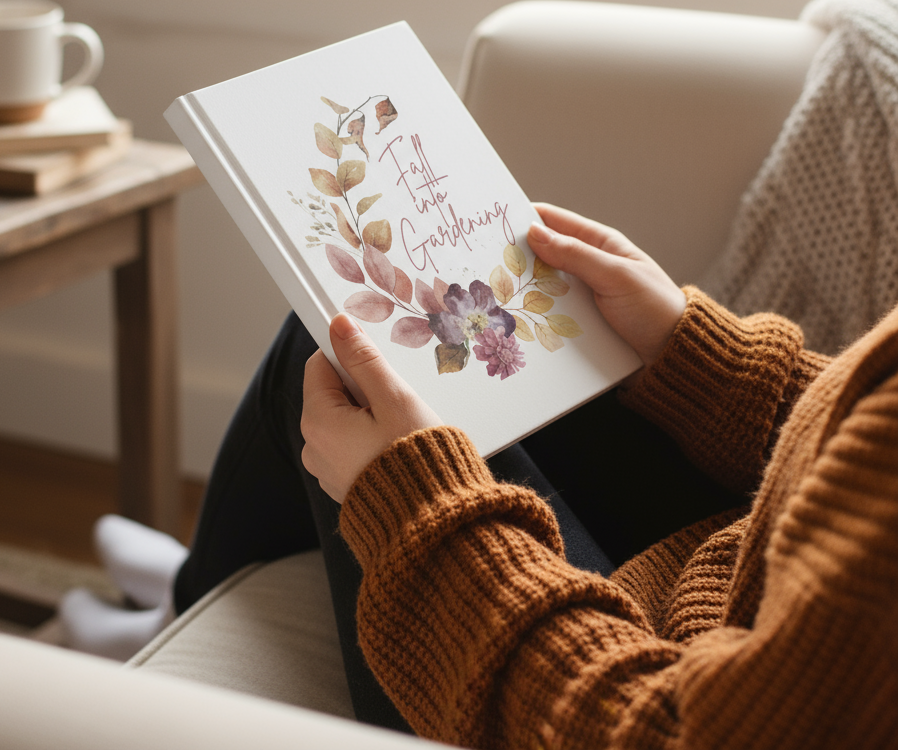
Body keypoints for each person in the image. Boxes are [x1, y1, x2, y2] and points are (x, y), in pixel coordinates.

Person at [61, 205, 897, 749]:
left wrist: (420, 508)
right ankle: (186, 591)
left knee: (344, 356)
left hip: (652, 674)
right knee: (353, 333)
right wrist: (701, 359)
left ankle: (177, 601)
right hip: (733, 570)